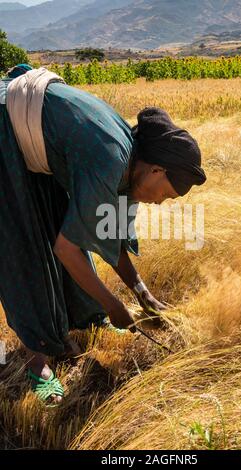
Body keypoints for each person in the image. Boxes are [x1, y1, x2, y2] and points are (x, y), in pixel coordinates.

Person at [0, 64, 206, 405]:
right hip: (4, 133)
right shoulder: (110, 161)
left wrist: (141, 293)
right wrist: (113, 305)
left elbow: (112, 232)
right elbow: (68, 249)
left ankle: (85, 318)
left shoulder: (132, 166)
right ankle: (38, 360)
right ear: (157, 170)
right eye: (165, 195)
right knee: (28, 246)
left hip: (34, 143)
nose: (158, 203)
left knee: (60, 220)